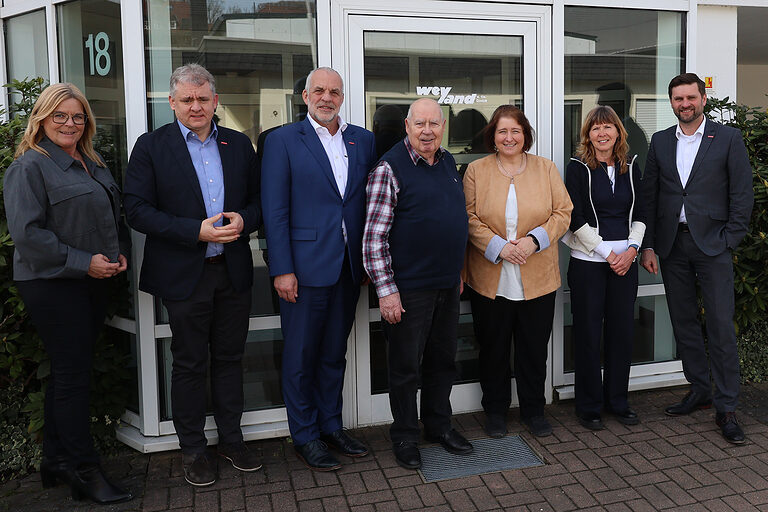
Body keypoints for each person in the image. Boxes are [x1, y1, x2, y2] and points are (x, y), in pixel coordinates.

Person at [123, 64, 262, 486]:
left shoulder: (238, 144)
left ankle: (232, 440)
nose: (196, 106)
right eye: (187, 99)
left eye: (203, 99)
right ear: (172, 102)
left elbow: (261, 201)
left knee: (230, 359)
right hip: (186, 274)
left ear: (215, 100)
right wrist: (193, 231)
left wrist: (246, 219)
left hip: (232, 270)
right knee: (187, 362)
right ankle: (193, 449)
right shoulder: (151, 146)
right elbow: (136, 209)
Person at [4, 83, 132, 504]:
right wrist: (85, 262)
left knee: (66, 372)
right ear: (41, 119)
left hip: (92, 281)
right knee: (74, 377)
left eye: (78, 117)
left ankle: (56, 461)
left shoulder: (92, 161)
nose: (69, 124)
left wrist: (118, 253)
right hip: (52, 284)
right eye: (60, 116)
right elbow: (28, 237)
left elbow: (112, 216)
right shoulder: (30, 167)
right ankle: (84, 471)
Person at [261, 67, 376, 471]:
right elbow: (274, 211)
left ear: (342, 97)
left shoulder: (362, 139)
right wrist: (282, 268)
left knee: (333, 353)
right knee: (300, 355)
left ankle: (331, 426)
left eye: (335, 92)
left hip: (347, 267)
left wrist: (365, 259)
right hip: (303, 270)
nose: (327, 98)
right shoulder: (281, 141)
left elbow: (362, 203)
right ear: (305, 96)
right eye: (319, 91)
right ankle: (305, 435)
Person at [641, 72, 753, 444]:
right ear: (670, 102)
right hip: (673, 246)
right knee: (684, 322)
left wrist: (729, 240)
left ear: (703, 99)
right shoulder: (659, 141)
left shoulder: (728, 138)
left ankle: (727, 407)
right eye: (678, 99)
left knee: (721, 326)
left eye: (691, 98)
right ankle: (700, 389)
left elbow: (742, 193)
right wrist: (649, 245)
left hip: (713, 246)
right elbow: (651, 198)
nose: (684, 104)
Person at [363, 97, 472, 470]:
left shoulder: (447, 163)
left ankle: (438, 426)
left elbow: (453, 222)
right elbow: (373, 239)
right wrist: (387, 291)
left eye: (435, 124)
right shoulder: (389, 168)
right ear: (407, 126)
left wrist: (457, 270)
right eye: (420, 124)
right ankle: (406, 435)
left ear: (443, 127)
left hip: (446, 283)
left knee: (443, 362)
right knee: (406, 367)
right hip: (408, 288)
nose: (428, 131)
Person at [462, 104, 572, 439]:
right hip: (490, 276)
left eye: (516, 131)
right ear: (493, 137)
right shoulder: (476, 171)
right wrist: (499, 246)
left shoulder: (546, 168)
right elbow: (468, 218)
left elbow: (563, 212)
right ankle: (495, 411)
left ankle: (533, 411)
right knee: (493, 349)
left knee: (533, 350)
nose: (509, 137)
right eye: (502, 131)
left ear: (525, 135)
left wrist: (533, 241)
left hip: (537, 276)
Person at [563, 105, 646, 430]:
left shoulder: (631, 166)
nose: (602, 134)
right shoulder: (577, 167)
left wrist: (632, 249)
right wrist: (605, 253)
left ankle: (618, 401)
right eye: (595, 128)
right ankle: (589, 405)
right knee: (588, 333)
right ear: (588, 135)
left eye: (608, 127)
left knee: (622, 333)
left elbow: (641, 211)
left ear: (617, 133)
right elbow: (575, 216)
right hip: (588, 264)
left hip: (626, 261)